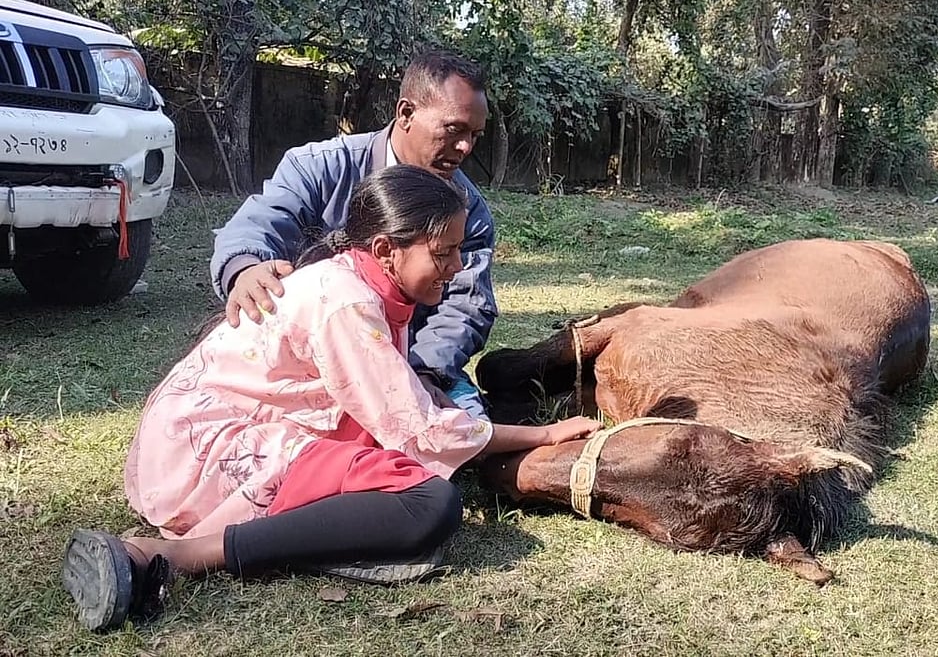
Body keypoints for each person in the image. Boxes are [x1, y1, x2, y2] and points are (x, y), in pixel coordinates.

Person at [61, 164, 602, 633]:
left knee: (407, 481)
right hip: (209, 448)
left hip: (211, 432)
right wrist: (544, 433)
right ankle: (171, 555)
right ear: (387, 250)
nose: (458, 267)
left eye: (459, 249)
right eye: (444, 252)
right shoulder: (345, 301)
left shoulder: (369, 285)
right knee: (430, 504)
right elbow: (417, 429)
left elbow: (395, 398)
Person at [210, 49, 495, 419]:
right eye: (454, 129)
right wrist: (245, 268)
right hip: (308, 365)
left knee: (463, 431)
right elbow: (260, 223)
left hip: (406, 360)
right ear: (406, 114)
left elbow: (465, 306)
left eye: (475, 135)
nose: (465, 148)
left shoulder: (469, 210)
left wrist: (424, 373)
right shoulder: (318, 168)